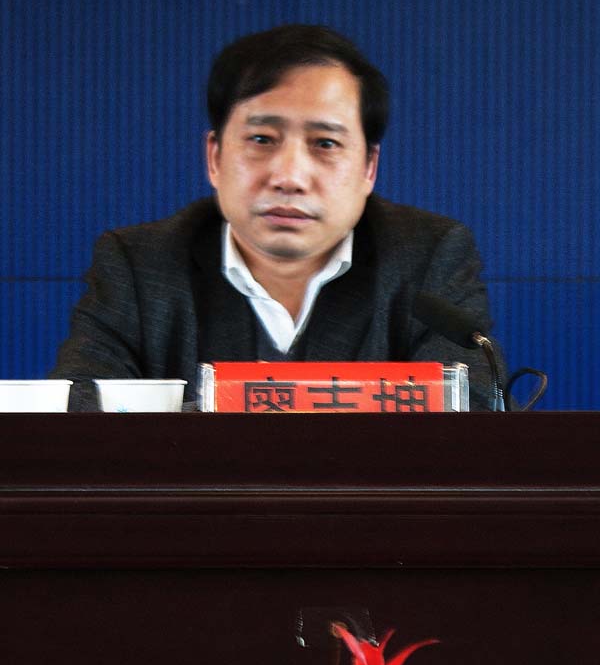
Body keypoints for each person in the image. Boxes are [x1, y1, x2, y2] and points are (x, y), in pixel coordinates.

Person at [51, 24, 505, 410]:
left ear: (369, 167)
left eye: (325, 144)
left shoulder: (428, 257)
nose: (289, 176)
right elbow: (79, 417)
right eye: (262, 139)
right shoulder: (140, 265)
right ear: (215, 157)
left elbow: (471, 415)